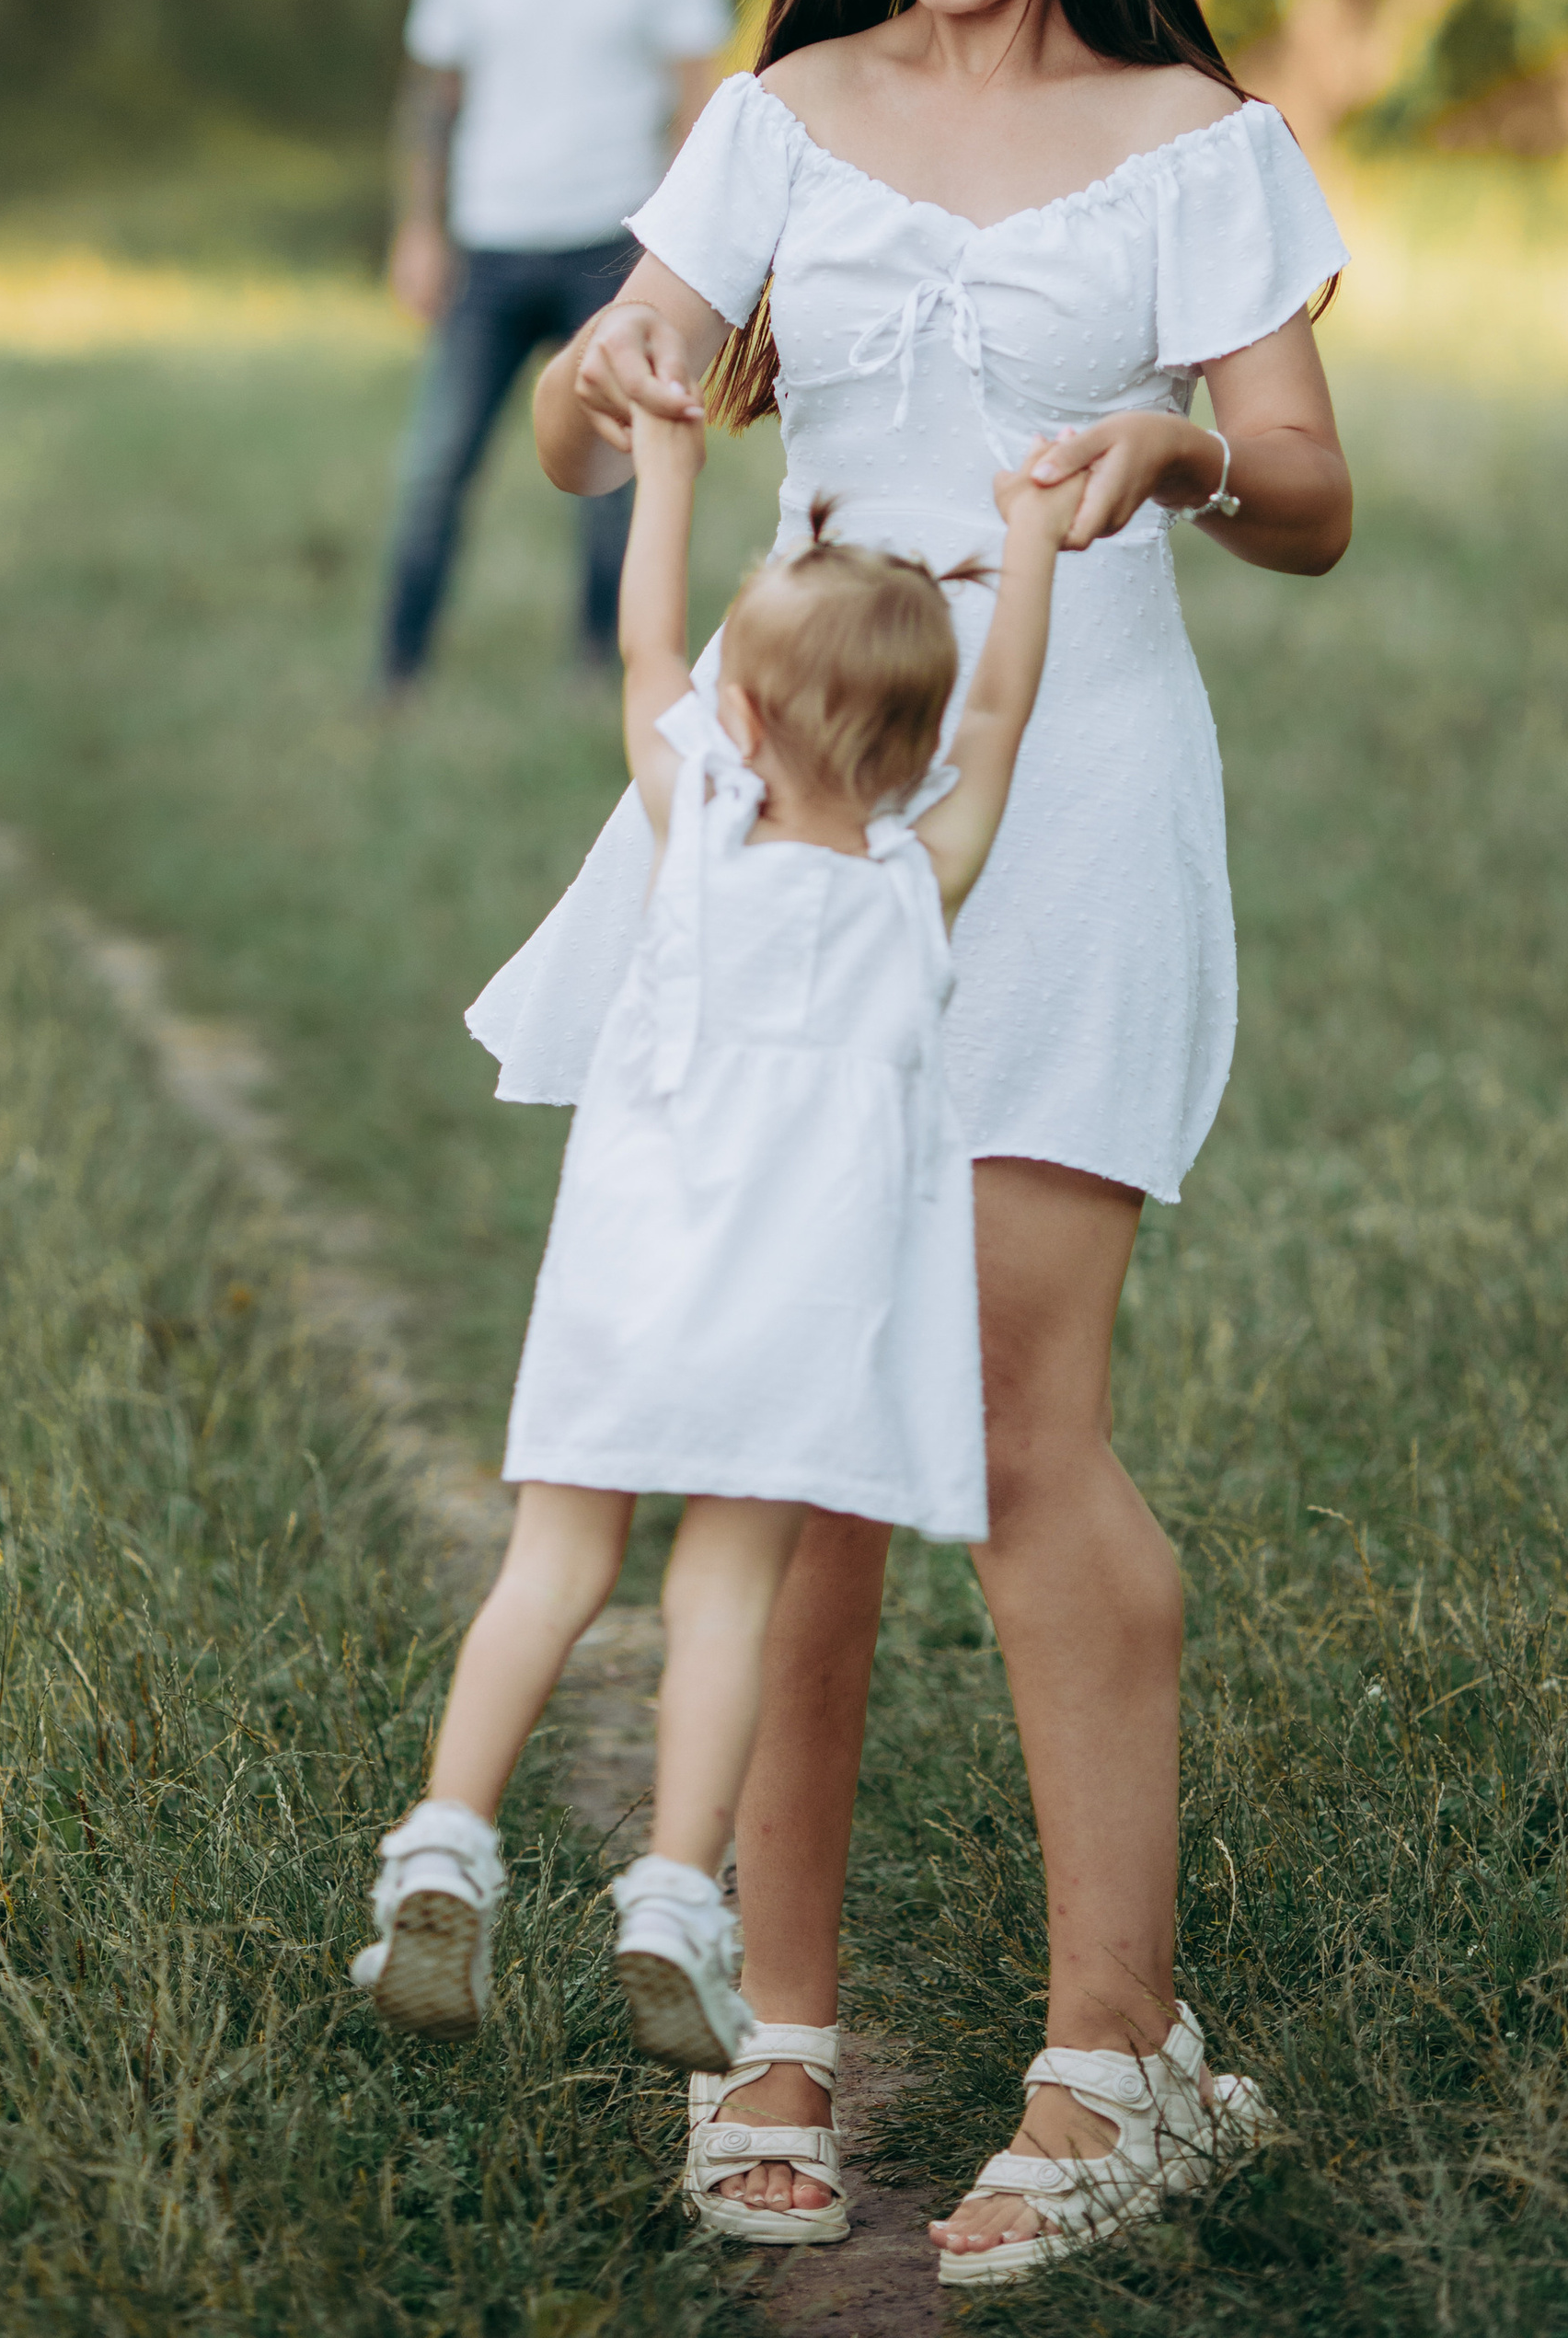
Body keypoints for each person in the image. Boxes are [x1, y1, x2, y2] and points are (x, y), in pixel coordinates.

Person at [476, 0, 1354, 2286]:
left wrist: (1178, 446)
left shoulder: (1197, 143)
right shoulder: (777, 122)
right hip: (793, 821)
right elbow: (592, 411)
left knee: (1002, 1392)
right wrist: (604, 370)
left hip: (1067, 801)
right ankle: (781, 2030)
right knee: (784, 1418)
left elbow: (1310, 492)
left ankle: (1124, 2050)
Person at [352, 402, 1094, 2099]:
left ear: (736, 718)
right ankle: (679, 1895)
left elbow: (634, 647)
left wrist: (672, 468)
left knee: (553, 1565)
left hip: (635, 1280)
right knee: (724, 1595)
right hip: (803, 1309)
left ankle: (448, 1845)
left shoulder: (696, 848)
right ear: (911, 762)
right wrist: (1033, 540)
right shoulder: (925, 884)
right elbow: (1006, 704)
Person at [375, 0, 732, 689]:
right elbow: (433, 99)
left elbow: (697, 110)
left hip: (610, 250)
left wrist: (676, 249)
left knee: (611, 480)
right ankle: (398, 671)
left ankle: (599, 667)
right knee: (433, 469)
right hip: (488, 247)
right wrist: (419, 229)